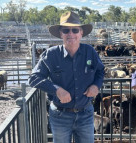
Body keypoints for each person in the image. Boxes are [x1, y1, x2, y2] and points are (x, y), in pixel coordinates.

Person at [28, 11, 104, 143]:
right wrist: (56, 89)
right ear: (60, 34)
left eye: (75, 30)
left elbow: (100, 71)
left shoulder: (89, 52)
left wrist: (96, 85)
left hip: (85, 112)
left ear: (81, 33)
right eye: (66, 30)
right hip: (60, 115)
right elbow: (34, 78)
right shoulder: (51, 54)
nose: (71, 34)